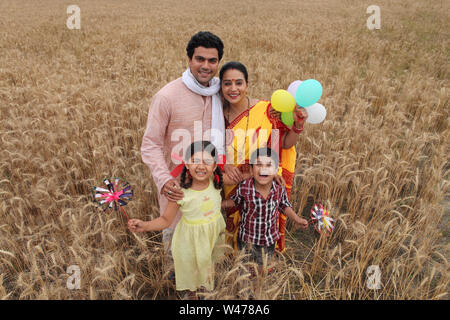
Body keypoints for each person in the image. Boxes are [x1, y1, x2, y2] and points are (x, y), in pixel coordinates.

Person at [140, 31, 227, 273]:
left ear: (218, 62)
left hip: (210, 184)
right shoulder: (166, 97)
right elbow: (150, 144)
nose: (206, 66)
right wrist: (164, 179)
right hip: (177, 185)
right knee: (177, 249)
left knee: (206, 242)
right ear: (189, 60)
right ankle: (176, 286)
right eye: (200, 59)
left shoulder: (220, 93)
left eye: (212, 60)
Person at [219, 61, 308, 252]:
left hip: (262, 179)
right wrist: (225, 166)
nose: (233, 89)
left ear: (247, 85)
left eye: (239, 83)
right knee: (235, 221)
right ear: (220, 86)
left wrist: (298, 125)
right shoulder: (216, 113)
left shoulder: (266, 111)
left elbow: (284, 144)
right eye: (227, 83)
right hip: (231, 180)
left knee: (260, 221)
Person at [129, 141, 226, 299]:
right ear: (187, 164)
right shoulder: (180, 192)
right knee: (193, 278)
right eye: (195, 161)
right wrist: (144, 226)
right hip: (191, 243)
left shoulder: (215, 182)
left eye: (207, 162)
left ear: (215, 166)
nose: (201, 166)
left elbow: (243, 178)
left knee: (209, 272)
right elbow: (166, 220)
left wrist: (272, 174)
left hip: (213, 237)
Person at [222, 147, 308, 275]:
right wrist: (220, 204)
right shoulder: (245, 187)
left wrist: (296, 219)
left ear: (275, 171)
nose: (263, 168)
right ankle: (244, 290)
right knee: (244, 269)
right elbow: (235, 201)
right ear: (251, 170)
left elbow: (284, 206)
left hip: (268, 240)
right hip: (247, 238)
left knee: (261, 270)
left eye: (269, 165)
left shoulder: (278, 189)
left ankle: (257, 289)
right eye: (258, 164)